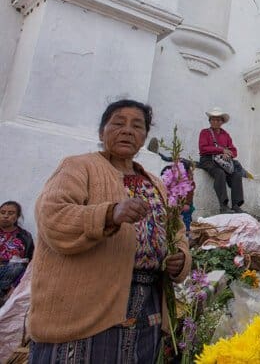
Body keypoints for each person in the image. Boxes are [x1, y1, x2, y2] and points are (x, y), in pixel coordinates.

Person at [28, 99, 191, 362]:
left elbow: (177, 232)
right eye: (118, 123)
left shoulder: (157, 183)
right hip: (85, 308)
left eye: (137, 126)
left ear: (144, 137)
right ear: (102, 131)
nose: (127, 130)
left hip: (146, 310)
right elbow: (52, 216)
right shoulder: (78, 166)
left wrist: (181, 259)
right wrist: (109, 213)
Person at [198, 107, 245, 214]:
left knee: (237, 175)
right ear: (209, 121)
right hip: (208, 160)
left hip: (223, 163)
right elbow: (203, 148)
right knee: (220, 173)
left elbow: (234, 151)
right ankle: (223, 206)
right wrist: (221, 150)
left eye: (218, 120)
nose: (215, 122)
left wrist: (228, 154)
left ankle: (236, 205)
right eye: (213, 119)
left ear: (222, 122)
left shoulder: (226, 135)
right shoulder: (204, 133)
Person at [0, 201, 34, 305]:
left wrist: (15, 286)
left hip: (10, 274)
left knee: (18, 266)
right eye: (2, 212)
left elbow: (28, 264)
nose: (6, 216)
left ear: (17, 216)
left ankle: (5, 294)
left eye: (10, 213)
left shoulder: (25, 237)